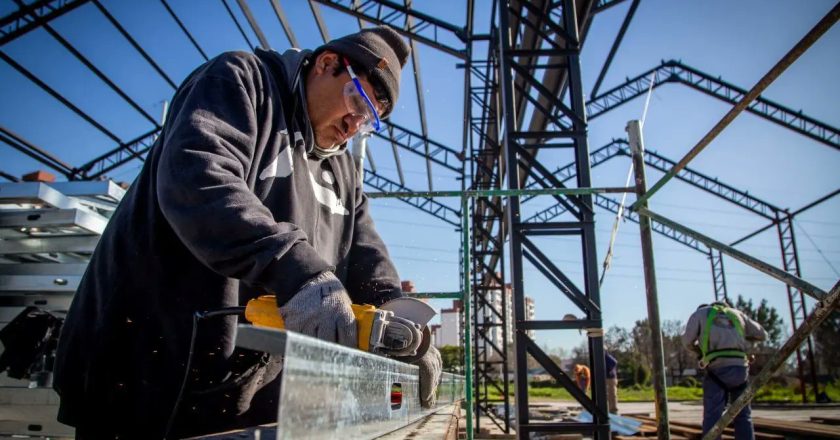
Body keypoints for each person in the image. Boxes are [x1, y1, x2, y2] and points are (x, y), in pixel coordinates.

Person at [53, 26, 442, 439]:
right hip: (146, 372)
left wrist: (404, 324)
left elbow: (366, 256)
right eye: (356, 101)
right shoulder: (241, 82)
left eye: (366, 122)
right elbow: (200, 179)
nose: (353, 126)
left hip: (242, 392)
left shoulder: (343, 169)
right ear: (327, 64)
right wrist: (298, 271)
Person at [681, 301, 767, 440]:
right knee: (743, 415)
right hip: (741, 371)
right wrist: (744, 342)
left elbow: (687, 341)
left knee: (713, 416)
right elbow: (762, 334)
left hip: (716, 370)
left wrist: (700, 352)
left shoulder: (700, 313)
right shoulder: (738, 314)